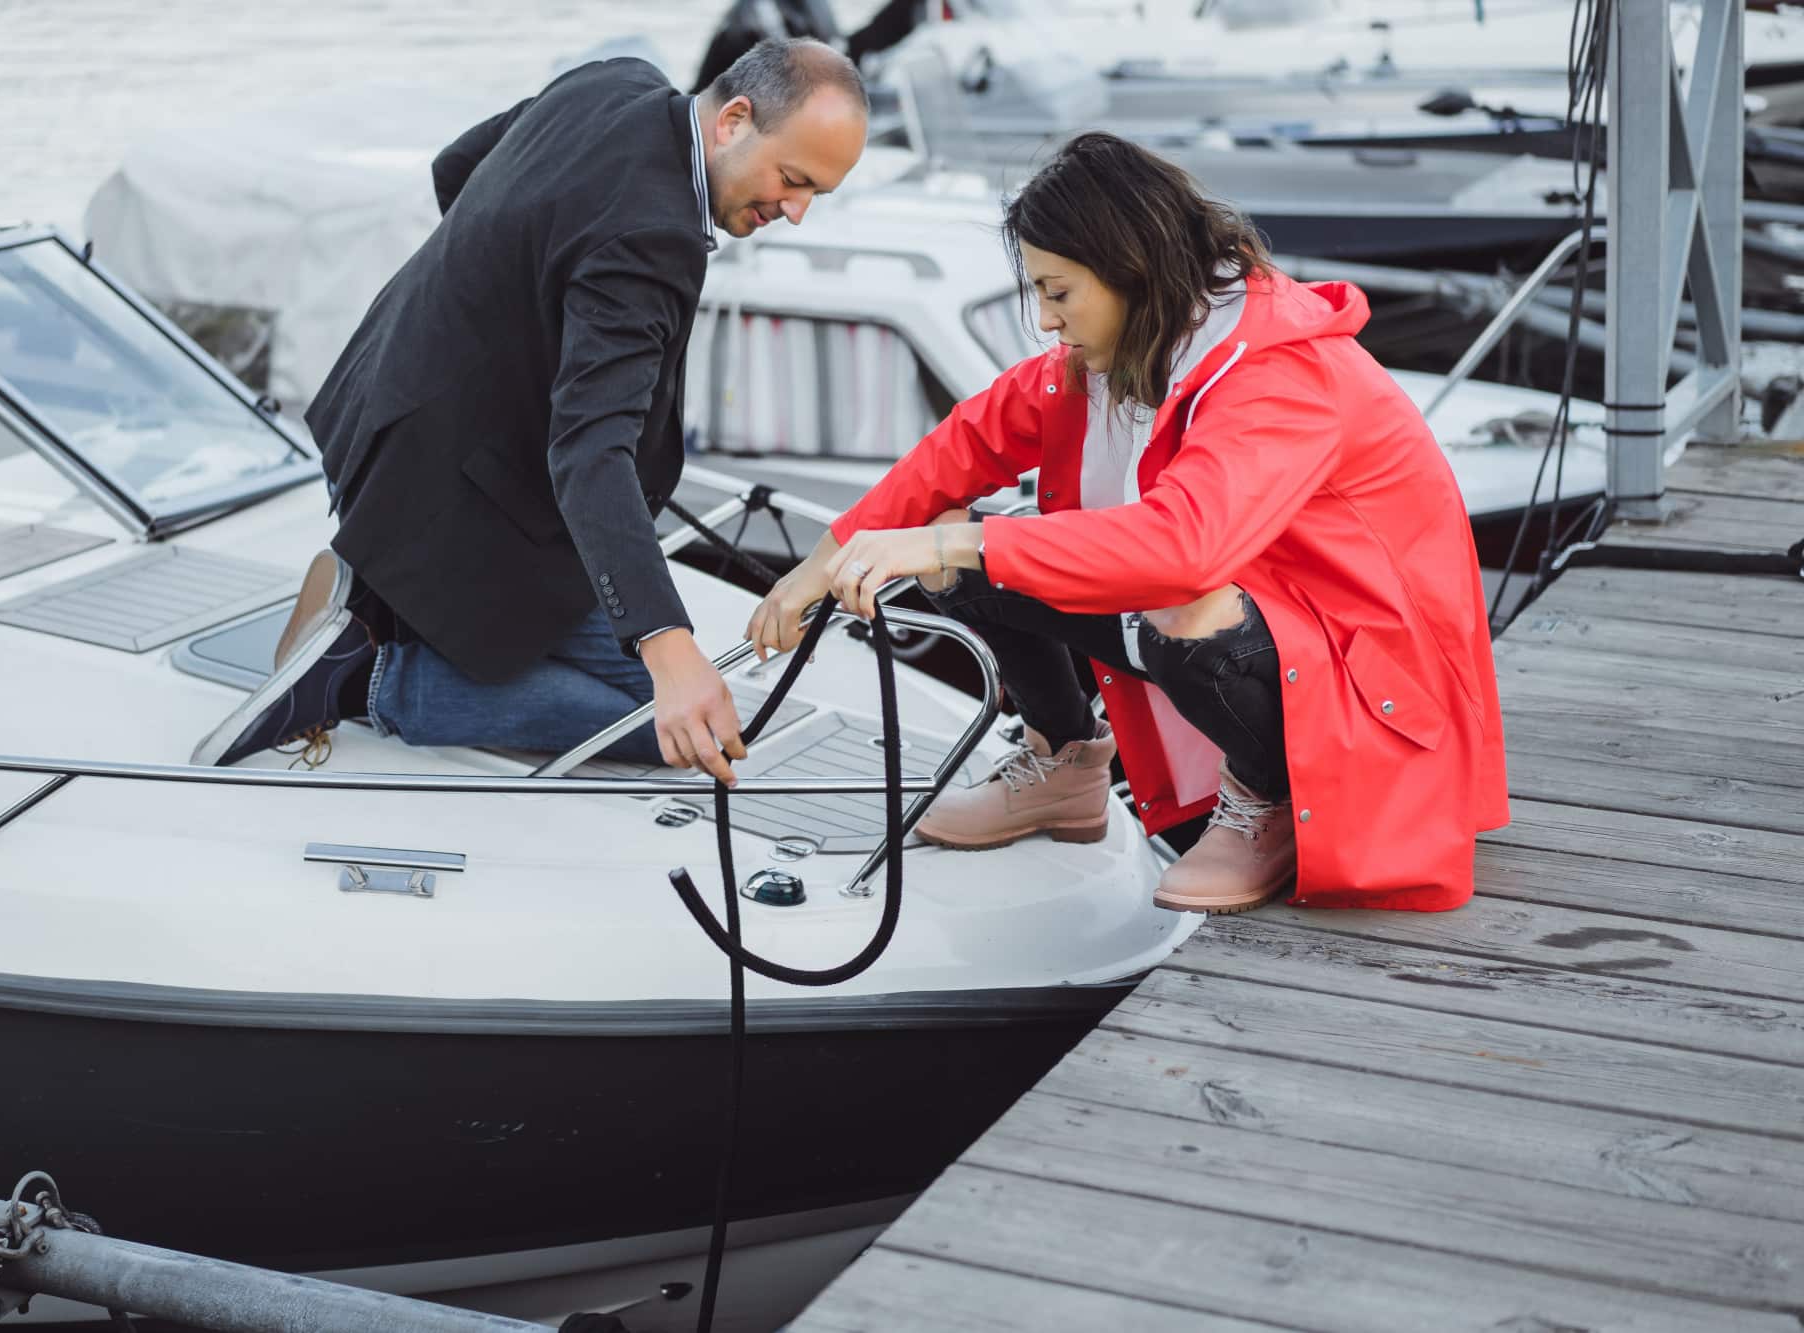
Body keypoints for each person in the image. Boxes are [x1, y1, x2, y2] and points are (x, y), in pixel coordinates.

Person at [746, 132, 1508, 914]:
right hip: (1285, 632)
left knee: (1170, 594)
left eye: (1059, 291)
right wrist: (822, 563)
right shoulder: (1132, 348)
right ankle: (1065, 762)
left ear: (1130, 268)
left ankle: (1271, 798)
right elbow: (967, 441)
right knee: (956, 545)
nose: (1045, 320)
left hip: (1371, 684)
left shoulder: (1279, 370)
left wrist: (948, 538)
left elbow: (1184, 548)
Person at [191, 41, 869, 783]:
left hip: (377, 409)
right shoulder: (654, 235)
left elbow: (456, 167)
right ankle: (384, 679)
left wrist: (507, 326)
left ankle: (377, 602)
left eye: (817, 195)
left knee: (678, 701)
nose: (796, 212)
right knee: (682, 728)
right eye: (793, 179)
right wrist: (667, 641)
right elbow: (589, 450)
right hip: (451, 502)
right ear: (734, 121)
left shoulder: (616, 83)